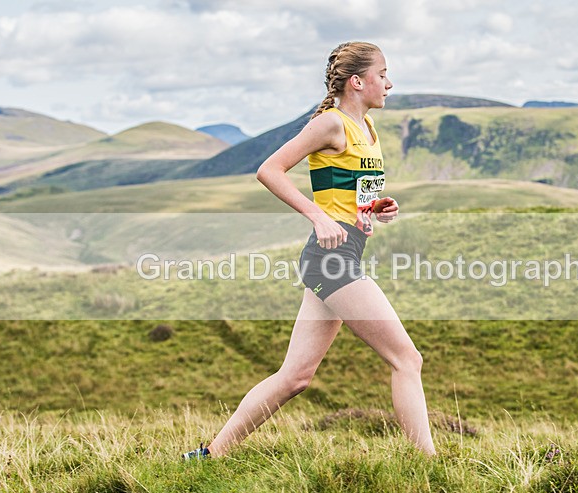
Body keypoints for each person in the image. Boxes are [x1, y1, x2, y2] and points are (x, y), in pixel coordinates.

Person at [183, 41, 436, 459]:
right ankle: (429, 465)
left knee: (295, 377)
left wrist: (374, 208)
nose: (389, 83)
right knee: (407, 358)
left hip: (342, 255)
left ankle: (211, 455)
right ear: (357, 81)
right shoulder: (330, 124)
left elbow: (346, 195)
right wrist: (317, 217)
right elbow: (269, 170)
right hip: (331, 260)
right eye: (383, 74)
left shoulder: (368, 130)